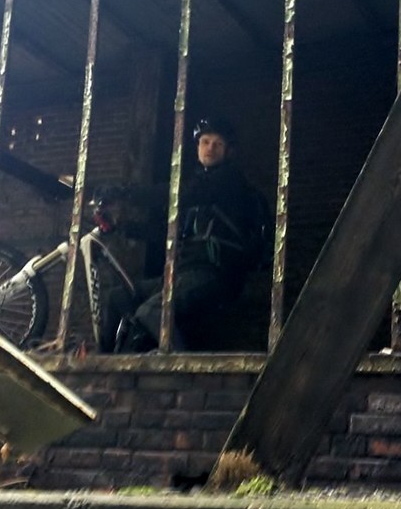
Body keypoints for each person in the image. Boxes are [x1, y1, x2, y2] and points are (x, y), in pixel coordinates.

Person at [96, 117, 271, 352]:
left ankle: (180, 364)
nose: (210, 148)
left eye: (217, 144)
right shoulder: (200, 196)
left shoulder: (227, 180)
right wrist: (122, 227)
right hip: (184, 273)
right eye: (205, 142)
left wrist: (125, 192)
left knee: (152, 311)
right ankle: (106, 364)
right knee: (118, 298)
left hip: (213, 274)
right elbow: (166, 233)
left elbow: (179, 193)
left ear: (228, 151)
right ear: (197, 147)